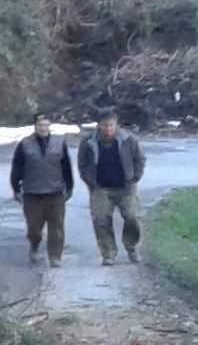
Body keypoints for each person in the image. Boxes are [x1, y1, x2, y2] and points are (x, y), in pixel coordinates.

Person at [77, 112, 147, 266]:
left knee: (131, 216)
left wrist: (135, 177)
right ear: (98, 126)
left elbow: (139, 159)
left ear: (116, 125)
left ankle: (131, 246)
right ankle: (108, 253)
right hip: (101, 188)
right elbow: (82, 164)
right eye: (104, 125)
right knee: (101, 220)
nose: (108, 129)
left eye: (111, 125)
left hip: (126, 187)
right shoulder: (89, 142)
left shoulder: (128, 139)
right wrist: (90, 182)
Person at [9, 115, 75, 267]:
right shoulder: (25, 144)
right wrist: (16, 188)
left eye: (46, 125)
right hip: (32, 193)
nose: (43, 128)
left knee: (57, 227)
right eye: (40, 125)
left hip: (55, 192)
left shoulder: (59, 143)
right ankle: (34, 245)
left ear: (50, 126)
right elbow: (17, 168)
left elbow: (66, 167)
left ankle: (55, 256)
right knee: (34, 228)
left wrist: (69, 187)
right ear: (35, 126)